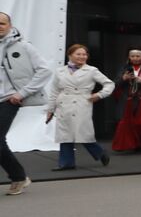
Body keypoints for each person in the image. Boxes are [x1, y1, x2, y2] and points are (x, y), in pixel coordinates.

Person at [0, 12, 53, 195]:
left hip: (8, 99)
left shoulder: (23, 47)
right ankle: (18, 176)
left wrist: (22, 93)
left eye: (2, 23)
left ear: (10, 25)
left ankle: (18, 177)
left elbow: (44, 71)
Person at [45, 43, 115, 169]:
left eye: (84, 54)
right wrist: (50, 109)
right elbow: (54, 91)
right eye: (78, 54)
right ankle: (66, 163)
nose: (82, 57)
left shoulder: (91, 70)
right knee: (65, 134)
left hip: (82, 102)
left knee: (83, 133)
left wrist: (100, 95)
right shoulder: (60, 71)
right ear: (70, 55)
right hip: (64, 103)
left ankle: (100, 153)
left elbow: (109, 84)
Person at [111, 48, 141, 153]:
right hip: (128, 100)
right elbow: (114, 83)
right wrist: (123, 78)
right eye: (133, 56)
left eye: (138, 56)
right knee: (129, 124)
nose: (135, 58)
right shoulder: (124, 68)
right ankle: (135, 144)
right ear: (129, 57)